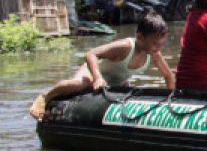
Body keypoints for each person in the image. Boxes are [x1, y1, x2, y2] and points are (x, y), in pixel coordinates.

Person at [29, 11, 175, 120]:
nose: (158, 48)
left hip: (115, 82)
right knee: (82, 83)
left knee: (133, 92)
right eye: (155, 43)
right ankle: (45, 97)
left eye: (161, 44)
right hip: (92, 72)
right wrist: (97, 77)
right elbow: (91, 54)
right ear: (140, 37)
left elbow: (168, 76)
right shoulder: (125, 46)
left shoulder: (154, 54)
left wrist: (170, 101)